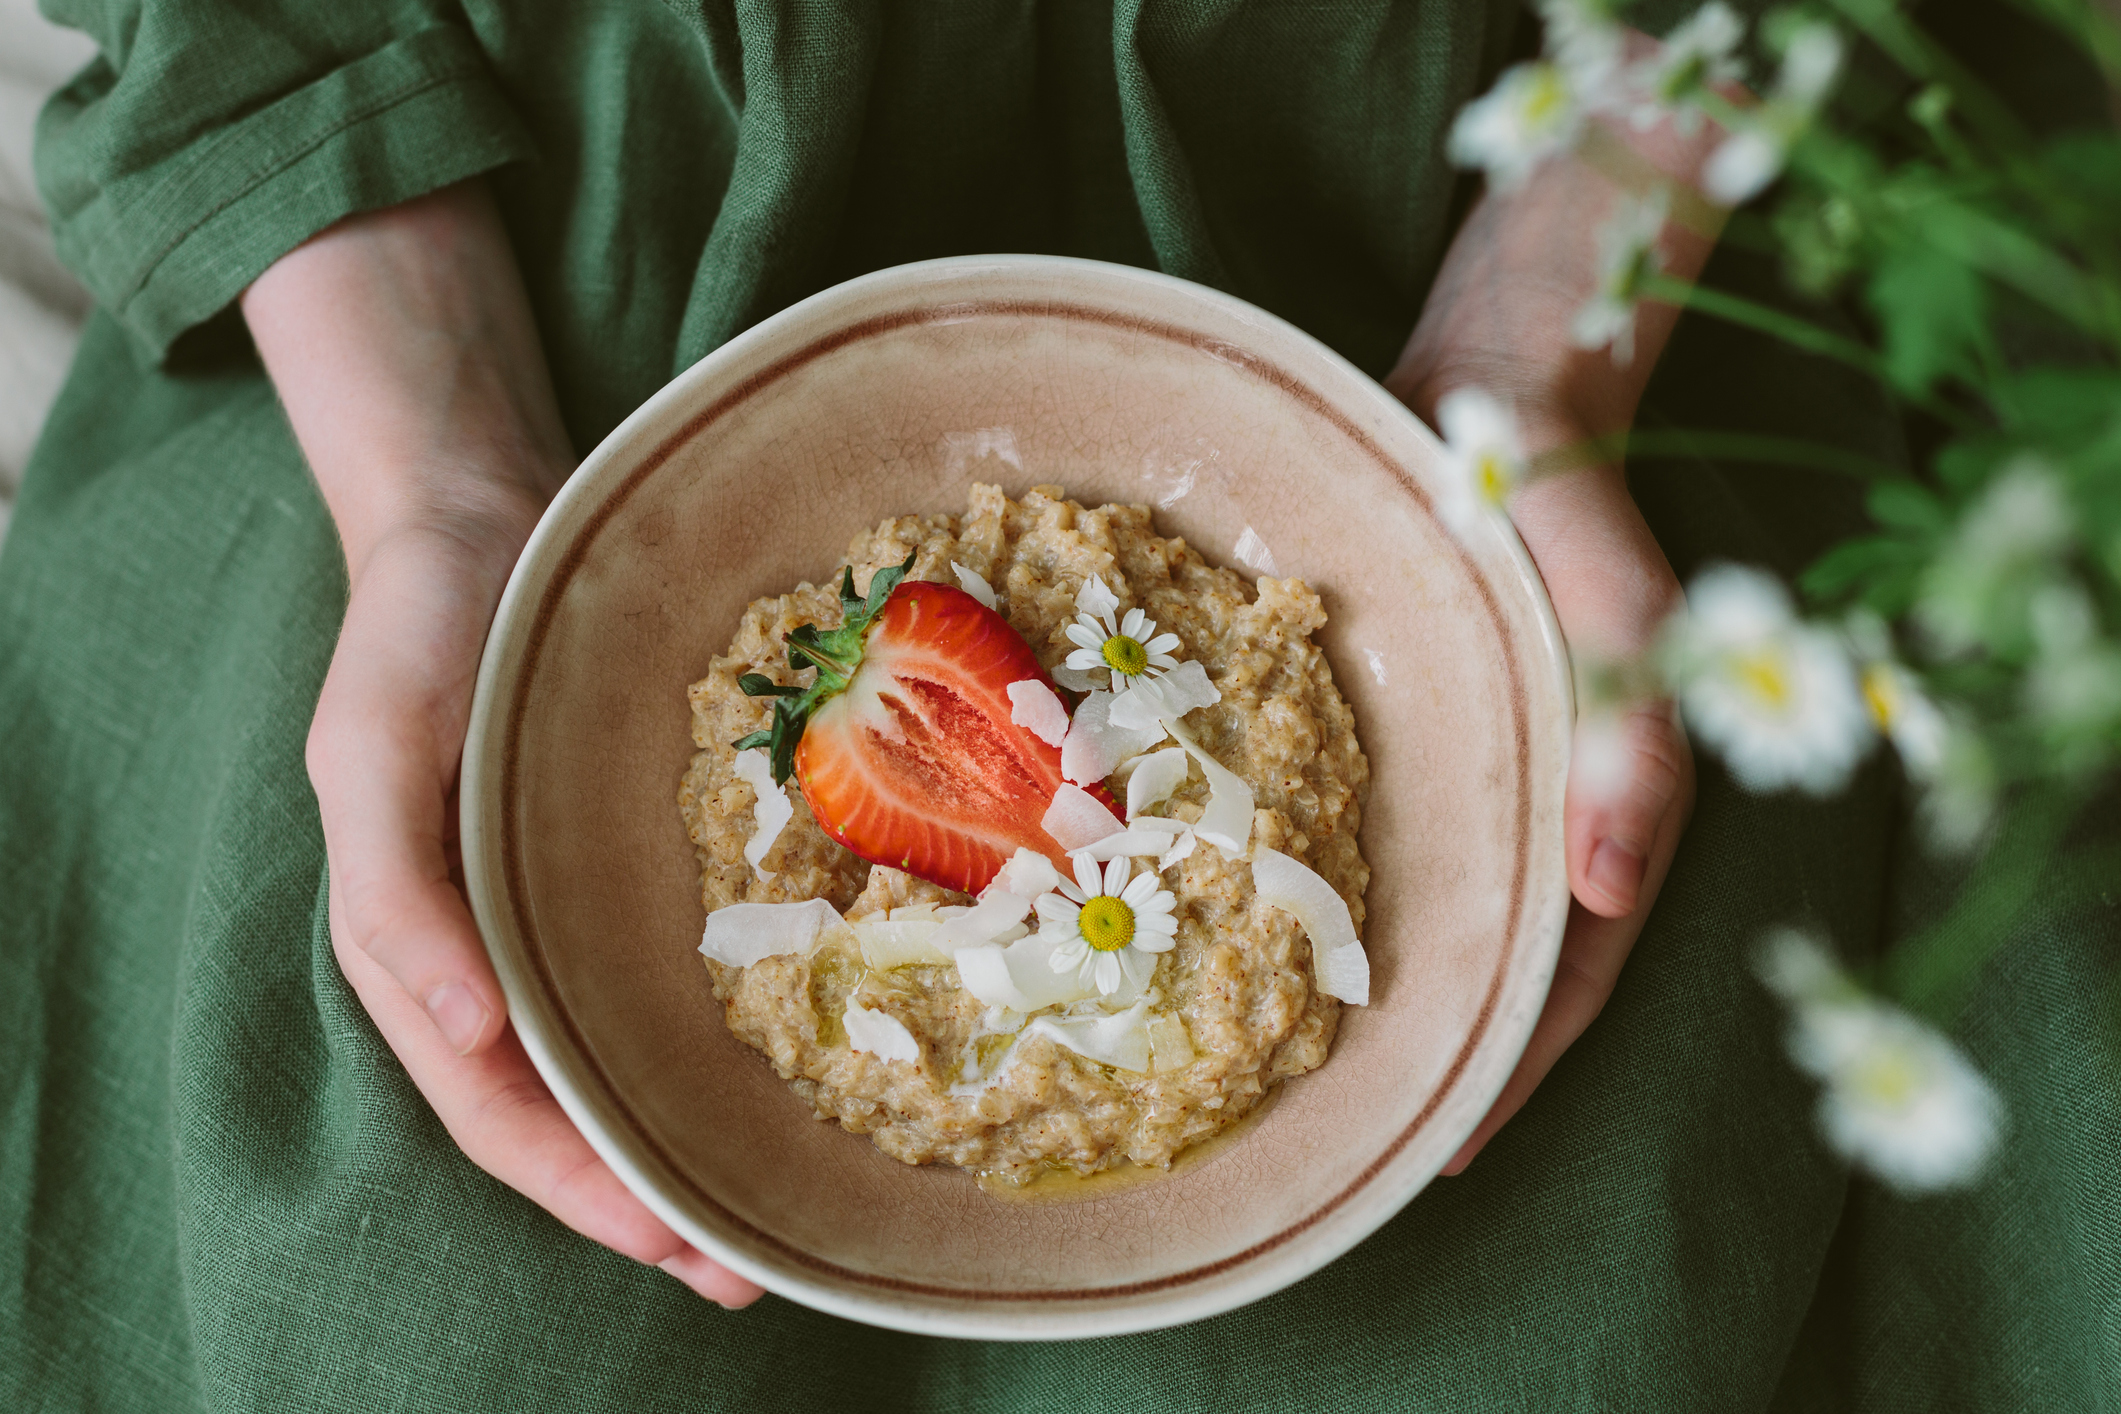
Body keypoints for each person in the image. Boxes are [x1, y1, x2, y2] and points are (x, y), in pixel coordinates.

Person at [4, 2, 2112, 1409]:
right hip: (521, 256)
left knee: (1572, 1288)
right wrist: (445, 493)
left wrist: (1541, 357)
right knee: (386, 1295)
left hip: (1511, 214)